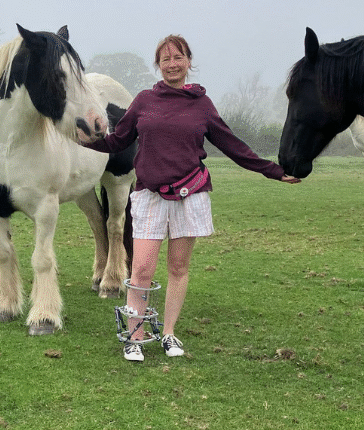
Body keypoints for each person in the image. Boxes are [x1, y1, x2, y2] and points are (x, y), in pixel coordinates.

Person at [84, 34, 300, 361]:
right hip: (149, 196)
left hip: (190, 195)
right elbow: (117, 142)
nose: (172, 64)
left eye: (178, 58)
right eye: (166, 59)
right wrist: (83, 141)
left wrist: (273, 170)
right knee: (141, 269)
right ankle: (134, 336)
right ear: (159, 65)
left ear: (188, 62)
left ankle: (169, 333)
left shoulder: (202, 105)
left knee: (179, 266)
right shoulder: (144, 101)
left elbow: (232, 145)